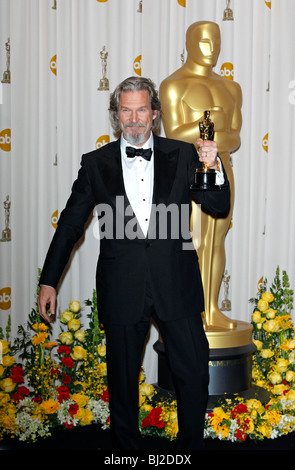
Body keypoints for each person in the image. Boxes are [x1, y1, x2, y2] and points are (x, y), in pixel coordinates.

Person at [37, 76, 230, 451]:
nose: (134, 118)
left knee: (192, 371)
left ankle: (189, 449)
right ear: (115, 116)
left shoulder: (184, 153)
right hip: (122, 286)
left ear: (154, 114)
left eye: (142, 109)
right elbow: (71, 224)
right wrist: (49, 281)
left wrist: (214, 164)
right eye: (126, 110)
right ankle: (126, 452)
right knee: (122, 379)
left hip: (176, 283)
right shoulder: (95, 164)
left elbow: (218, 207)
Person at [159, 21, 242, 330]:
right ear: (190, 43)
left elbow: (234, 138)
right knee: (192, 241)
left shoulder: (231, 87)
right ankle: (191, 310)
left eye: (217, 42)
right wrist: (208, 123)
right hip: (187, 173)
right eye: (205, 42)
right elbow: (174, 133)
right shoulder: (173, 85)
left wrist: (211, 134)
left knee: (217, 240)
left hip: (222, 170)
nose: (212, 49)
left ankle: (211, 307)